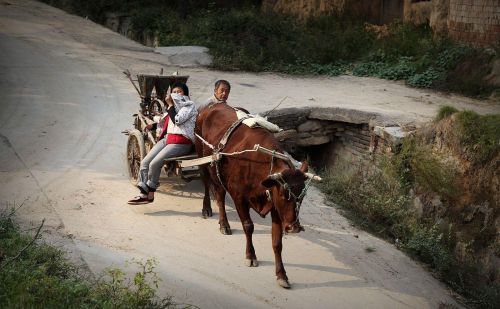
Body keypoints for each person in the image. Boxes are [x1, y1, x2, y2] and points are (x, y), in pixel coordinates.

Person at [128, 82, 197, 205]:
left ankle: (150, 193)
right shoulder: (173, 107)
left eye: (179, 92)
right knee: (144, 162)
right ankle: (143, 194)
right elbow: (164, 120)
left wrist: (170, 104)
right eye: (174, 92)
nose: (176, 94)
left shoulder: (189, 106)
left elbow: (177, 120)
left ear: (185, 94)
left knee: (154, 164)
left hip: (182, 142)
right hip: (168, 139)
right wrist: (153, 125)